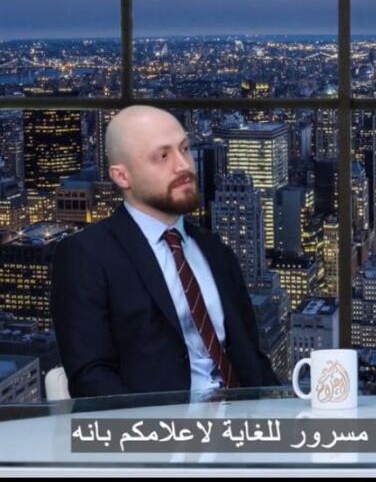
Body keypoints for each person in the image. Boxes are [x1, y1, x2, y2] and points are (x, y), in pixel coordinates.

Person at [51, 105, 280, 398]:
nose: (182, 165)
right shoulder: (86, 255)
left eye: (184, 149)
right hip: (156, 424)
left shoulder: (215, 250)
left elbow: (253, 359)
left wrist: (282, 411)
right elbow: (91, 378)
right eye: (162, 156)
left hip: (245, 420)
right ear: (122, 176)